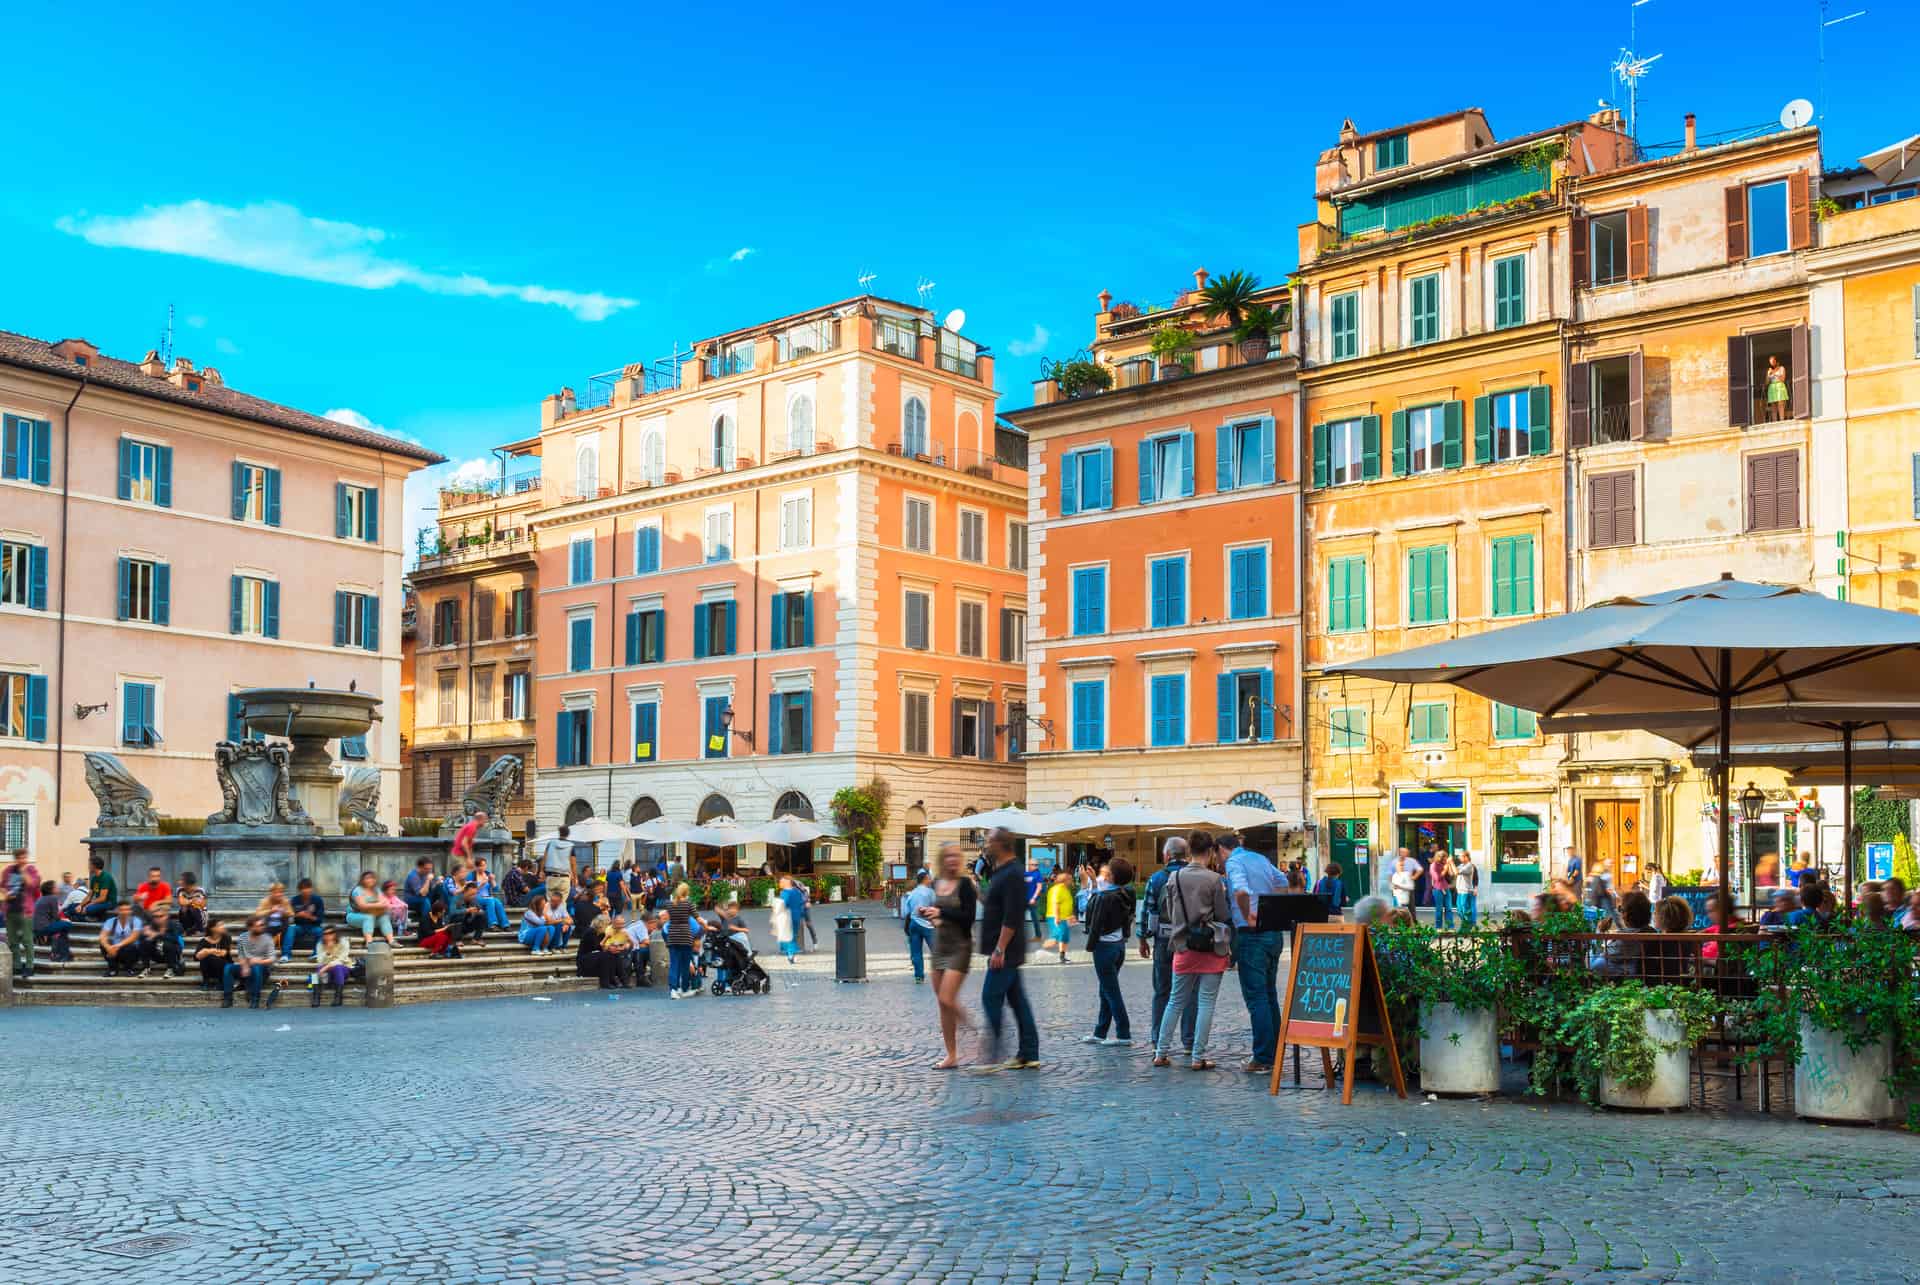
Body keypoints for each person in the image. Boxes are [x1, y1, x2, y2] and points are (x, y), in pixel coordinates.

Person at [1153, 844, 1233, 1071]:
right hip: (1210, 946)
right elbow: (1222, 914)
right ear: (1209, 852)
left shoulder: (1174, 877)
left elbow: (1168, 911)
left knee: (1175, 1001)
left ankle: (1161, 1053)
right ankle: (1198, 1057)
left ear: (1190, 853)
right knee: (1206, 1002)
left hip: (1182, 944)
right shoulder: (1215, 879)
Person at [1224, 832, 1287, 1075]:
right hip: (1273, 933)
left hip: (1252, 935)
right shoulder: (1260, 859)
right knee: (1270, 994)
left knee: (1257, 997)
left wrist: (1249, 914)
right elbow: (1282, 882)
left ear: (1222, 849)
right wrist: (1271, 909)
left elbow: (1240, 891)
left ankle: (1263, 1057)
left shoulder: (1233, 862)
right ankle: (1275, 1052)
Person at [976, 828, 1039, 1071]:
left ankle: (992, 1057)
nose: (985, 845)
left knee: (990, 997)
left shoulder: (1012, 873)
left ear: (1000, 845)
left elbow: (1012, 916)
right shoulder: (1003, 871)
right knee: (1018, 1001)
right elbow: (997, 906)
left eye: (989, 841)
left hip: (1006, 950)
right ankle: (1029, 1053)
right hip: (1005, 949)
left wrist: (1000, 949)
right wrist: (978, 893)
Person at [1138, 835, 1199, 1060]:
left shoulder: (1156, 879)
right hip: (1191, 940)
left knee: (1162, 991)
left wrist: (1143, 937)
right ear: (1187, 855)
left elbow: (1149, 912)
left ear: (1166, 855)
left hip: (1164, 940)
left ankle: (1158, 1042)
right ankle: (1189, 1042)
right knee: (1190, 991)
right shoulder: (1197, 877)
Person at [921, 842, 977, 1070]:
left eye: (957, 856)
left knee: (947, 998)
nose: (953, 860)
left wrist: (942, 912)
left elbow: (968, 917)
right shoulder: (936, 884)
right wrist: (932, 917)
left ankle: (974, 1033)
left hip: (960, 946)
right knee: (943, 1004)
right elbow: (939, 917)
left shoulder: (965, 885)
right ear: (942, 859)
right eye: (949, 856)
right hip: (940, 947)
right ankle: (951, 1055)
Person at [1079, 858, 1136, 1047]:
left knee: (1111, 992)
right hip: (1119, 946)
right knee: (1106, 990)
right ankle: (1100, 1031)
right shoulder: (1125, 893)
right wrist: (1095, 883)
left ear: (1110, 876)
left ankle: (1123, 1033)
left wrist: (1090, 946)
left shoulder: (1105, 897)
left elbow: (1091, 915)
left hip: (1104, 948)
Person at [1591, 890, 1655, 977]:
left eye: (1620, 909)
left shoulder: (1626, 940)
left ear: (1627, 914)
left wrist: (1599, 932)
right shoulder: (1651, 932)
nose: (1620, 913)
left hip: (1626, 981)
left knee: (1597, 963)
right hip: (1639, 977)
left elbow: (1593, 960)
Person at [224, 916, 281, 1008]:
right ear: (251, 927)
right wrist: (245, 966)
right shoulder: (242, 937)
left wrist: (260, 961)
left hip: (263, 968)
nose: (262, 927)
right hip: (247, 965)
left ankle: (255, 999)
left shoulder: (267, 938)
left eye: (263, 925)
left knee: (256, 967)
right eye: (259, 925)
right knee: (228, 968)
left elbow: (272, 958)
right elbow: (241, 955)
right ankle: (227, 998)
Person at [4, 850, 37, 980]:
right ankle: (16, 966)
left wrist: (24, 872)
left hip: (25, 910)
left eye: (24, 857)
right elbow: (2, 886)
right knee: (12, 941)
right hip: (10, 909)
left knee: (27, 940)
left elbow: (33, 885)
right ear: (15, 858)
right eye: (19, 857)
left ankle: (29, 967)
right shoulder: (8, 870)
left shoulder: (31, 870)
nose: (22, 860)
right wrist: (6, 893)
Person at [664, 884, 702, 999]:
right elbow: (697, 918)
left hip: (672, 936)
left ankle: (673, 990)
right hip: (686, 937)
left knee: (674, 965)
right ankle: (684, 989)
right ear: (687, 892)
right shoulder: (689, 904)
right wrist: (707, 926)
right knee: (685, 965)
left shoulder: (669, 904)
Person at [900, 870, 935, 983]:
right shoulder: (930, 892)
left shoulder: (911, 893)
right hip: (927, 925)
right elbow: (936, 907)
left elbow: (905, 913)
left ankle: (919, 977)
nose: (930, 880)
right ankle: (942, 973)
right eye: (929, 878)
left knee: (916, 952)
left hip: (914, 924)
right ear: (925, 879)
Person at [32, 879, 78, 963]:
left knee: (63, 931)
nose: (58, 888)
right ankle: (63, 954)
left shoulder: (42, 898)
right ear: (52, 889)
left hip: (36, 928)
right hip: (44, 927)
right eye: (56, 887)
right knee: (68, 925)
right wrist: (65, 920)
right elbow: (55, 916)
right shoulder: (52, 898)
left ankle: (63, 954)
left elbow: (51, 917)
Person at [346, 871, 396, 946]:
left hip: (374, 915)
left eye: (372, 878)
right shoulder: (357, 890)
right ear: (362, 880)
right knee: (369, 917)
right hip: (355, 916)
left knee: (384, 917)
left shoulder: (377, 890)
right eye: (367, 878)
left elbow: (385, 903)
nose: (370, 880)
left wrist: (374, 906)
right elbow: (362, 906)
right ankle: (369, 943)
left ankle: (391, 941)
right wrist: (378, 905)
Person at [282, 879, 326, 962]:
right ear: (299, 890)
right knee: (290, 929)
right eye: (303, 889)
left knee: (321, 931)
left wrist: (309, 916)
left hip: (314, 926)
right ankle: (286, 955)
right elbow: (289, 916)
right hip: (299, 926)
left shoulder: (318, 900)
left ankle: (316, 954)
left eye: (307, 888)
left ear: (311, 889)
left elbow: (320, 919)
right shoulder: (295, 900)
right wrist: (297, 915)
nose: (305, 891)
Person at [308, 927, 352, 1007]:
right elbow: (320, 961)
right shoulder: (320, 944)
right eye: (325, 934)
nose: (327, 936)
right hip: (326, 967)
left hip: (343, 967)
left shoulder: (344, 942)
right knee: (315, 974)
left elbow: (342, 959)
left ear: (335, 933)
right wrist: (327, 952)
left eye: (330, 933)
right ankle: (316, 997)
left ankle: (338, 997)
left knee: (337, 967)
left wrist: (327, 966)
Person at [592, 913, 637, 989]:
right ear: (613, 922)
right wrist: (618, 948)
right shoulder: (607, 930)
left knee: (622, 955)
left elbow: (632, 945)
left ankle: (620, 981)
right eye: (619, 924)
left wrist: (629, 942)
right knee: (614, 956)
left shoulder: (624, 931)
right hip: (608, 951)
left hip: (619, 951)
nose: (621, 926)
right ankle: (620, 981)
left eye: (623, 924)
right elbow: (604, 947)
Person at [98, 902, 144, 976]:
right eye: (122, 910)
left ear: (130, 911)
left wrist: (118, 946)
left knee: (131, 947)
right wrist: (108, 947)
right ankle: (113, 969)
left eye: (127, 910)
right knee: (103, 945)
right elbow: (102, 936)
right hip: (114, 950)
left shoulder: (136, 921)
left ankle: (129, 968)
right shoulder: (110, 921)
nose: (124, 912)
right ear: (117, 911)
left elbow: (134, 937)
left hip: (130, 949)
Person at [139, 904, 185, 976]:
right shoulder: (151, 926)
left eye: (161, 916)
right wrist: (144, 934)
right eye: (155, 916)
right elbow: (142, 940)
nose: (158, 918)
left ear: (166, 916)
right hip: (156, 955)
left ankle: (171, 969)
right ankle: (146, 968)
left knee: (168, 944)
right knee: (144, 943)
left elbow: (174, 939)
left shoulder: (174, 925)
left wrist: (157, 934)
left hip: (172, 955)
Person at [1043, 867, 1076, 963]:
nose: (1072, 881)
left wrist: (1071, 916)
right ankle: (1042, 950)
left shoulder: (1065, 889)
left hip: (1064, 917)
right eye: (1070, 879)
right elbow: (1056, 903)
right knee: (1057, 938)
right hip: (1056, 917)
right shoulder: (1058, 889)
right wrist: (1057, 917)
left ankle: (1062, 956)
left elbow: (1067, 902)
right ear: (1065, 880)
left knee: (1064, 937)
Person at [194, 919, 235, 989]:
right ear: (212, 929)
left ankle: (220, 982)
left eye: (223, 925)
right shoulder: (203, 941)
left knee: (208, 956)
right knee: (206, 958)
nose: (223, 927)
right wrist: (212, 952)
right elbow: (196, 957)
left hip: (224, 966)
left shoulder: (226, 938)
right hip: (210, 968)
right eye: (220, 925)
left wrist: (207, 951)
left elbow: (223, 953)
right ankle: (206, 981)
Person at [774, 876, 805, 964]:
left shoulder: (784, 893)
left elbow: (782, 904)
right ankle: (791, 953)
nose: (779, 884)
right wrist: (802, 915)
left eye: (781, 882)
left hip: (786, 917)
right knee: (793, 935)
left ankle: (791, 953)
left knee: (787, 936)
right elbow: (801, 904)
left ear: (787, 882)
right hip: (796, 916)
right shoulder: (797, 892)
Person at [79, 855, 117, 921]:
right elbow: (89, 896)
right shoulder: (94, 878)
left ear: (94, 866)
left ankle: (93, 917)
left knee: (88, 909)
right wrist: (80, 905)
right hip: (99, 902)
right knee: (73, 907)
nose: (88, 867)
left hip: (109, 903)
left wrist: (88, 905)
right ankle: (89, 917)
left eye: (89, 865)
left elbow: (102, 898)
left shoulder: (105, 877)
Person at [401, 858, 436, 926]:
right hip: (411, 900)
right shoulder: (413, 876)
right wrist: (428, 880)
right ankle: (426, 924)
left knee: (440, 889)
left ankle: (445, 918)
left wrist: (438, 882)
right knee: (425, 901)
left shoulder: (426, 874)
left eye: (430, 869)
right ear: (419, 867)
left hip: (423, 898)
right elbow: (422, 893)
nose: (429, 871)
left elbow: (432, 888)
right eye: (426, 868)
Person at [1452, 850, 1481, 929]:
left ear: (1466, 857)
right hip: (1460, 890)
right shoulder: (1461, 865)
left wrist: (1475, 888)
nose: (1459, 858)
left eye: (1460, 856)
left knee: (1468, 908)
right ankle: (1466, 923)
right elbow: (1453, 872)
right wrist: (1449, 864)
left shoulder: (1470, 866)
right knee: (1460, 908)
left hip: (1468, 890)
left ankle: (1470, 924)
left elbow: (1476, 878)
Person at [1427, 849, 1454, 930]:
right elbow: (1437, 878)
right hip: (1438, 889)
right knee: (1439, 909)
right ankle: (1438, 927)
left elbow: (1451, 874)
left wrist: (1449, 864)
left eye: (1446, 858)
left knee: (1449, 909)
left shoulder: (1444, 864)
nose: (1446, 859)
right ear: (1440, 858)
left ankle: (1450, 927)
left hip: (1446, 888)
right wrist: (1445, 869)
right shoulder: (1433, 865)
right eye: (1445, 858)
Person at [174, 872, 208, 937]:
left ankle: (200, 930)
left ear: (187, 883)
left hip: (201, 918)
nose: (179, 882)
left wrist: (188, 902)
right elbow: (181, 902)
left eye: (181, 880)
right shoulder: (180, 890)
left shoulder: (200, 891)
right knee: (183, 909)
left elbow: (202, 905)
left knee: (194, 908)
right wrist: (192, 900)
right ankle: (186, 930)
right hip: (188, 917)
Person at [1023, 856, 1046, 939]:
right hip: (1024, 899)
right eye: (1033, 864)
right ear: (1029, 865)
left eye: (1036, 865)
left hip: (1033, 900)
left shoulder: (1038, 875)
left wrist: (1034, 898)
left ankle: (1038, 935)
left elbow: (1039, 887)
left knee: (1035, 918)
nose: (1035, 866)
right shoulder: (1025, 874)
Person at [1763, 352, 1789, 422]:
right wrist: (1768, 375)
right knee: (1773, 406)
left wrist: (1774, 373)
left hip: (1780, 386)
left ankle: (1782, 420)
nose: (1772, 364)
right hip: (1772, 388)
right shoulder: (1769, 370)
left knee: (1780, 404)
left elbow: (1783, 379)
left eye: (1773, 362)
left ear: (1777, 362)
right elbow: (1767, 383)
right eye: (1771, 362)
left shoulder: (1781, 368)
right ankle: (1774, 421)